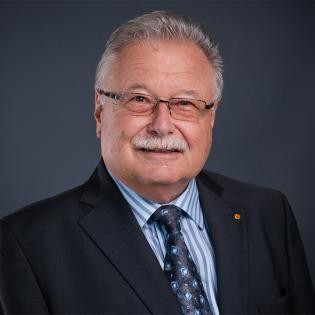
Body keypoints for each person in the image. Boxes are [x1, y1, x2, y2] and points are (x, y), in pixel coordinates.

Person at [0, 10, 314, 315]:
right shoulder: (26, 245)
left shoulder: (269, 214)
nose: (162, 125)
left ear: (211, 117)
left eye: (185, 104)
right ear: (100, 112)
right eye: (139, 100)